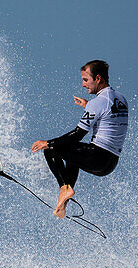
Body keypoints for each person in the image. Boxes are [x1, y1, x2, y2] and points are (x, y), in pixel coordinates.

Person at [31, 60, 128, 218]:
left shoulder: (98, 103)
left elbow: (77, 134)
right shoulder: (121, 99)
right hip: (110, 163)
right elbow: (108, 115)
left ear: (98, 78)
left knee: (52, 149)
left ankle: (64, 187)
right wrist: (88, 105)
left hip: (97, 156)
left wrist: (47, 143)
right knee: (72, 154)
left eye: (85, 80)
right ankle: (64, 201)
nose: (83, 85)